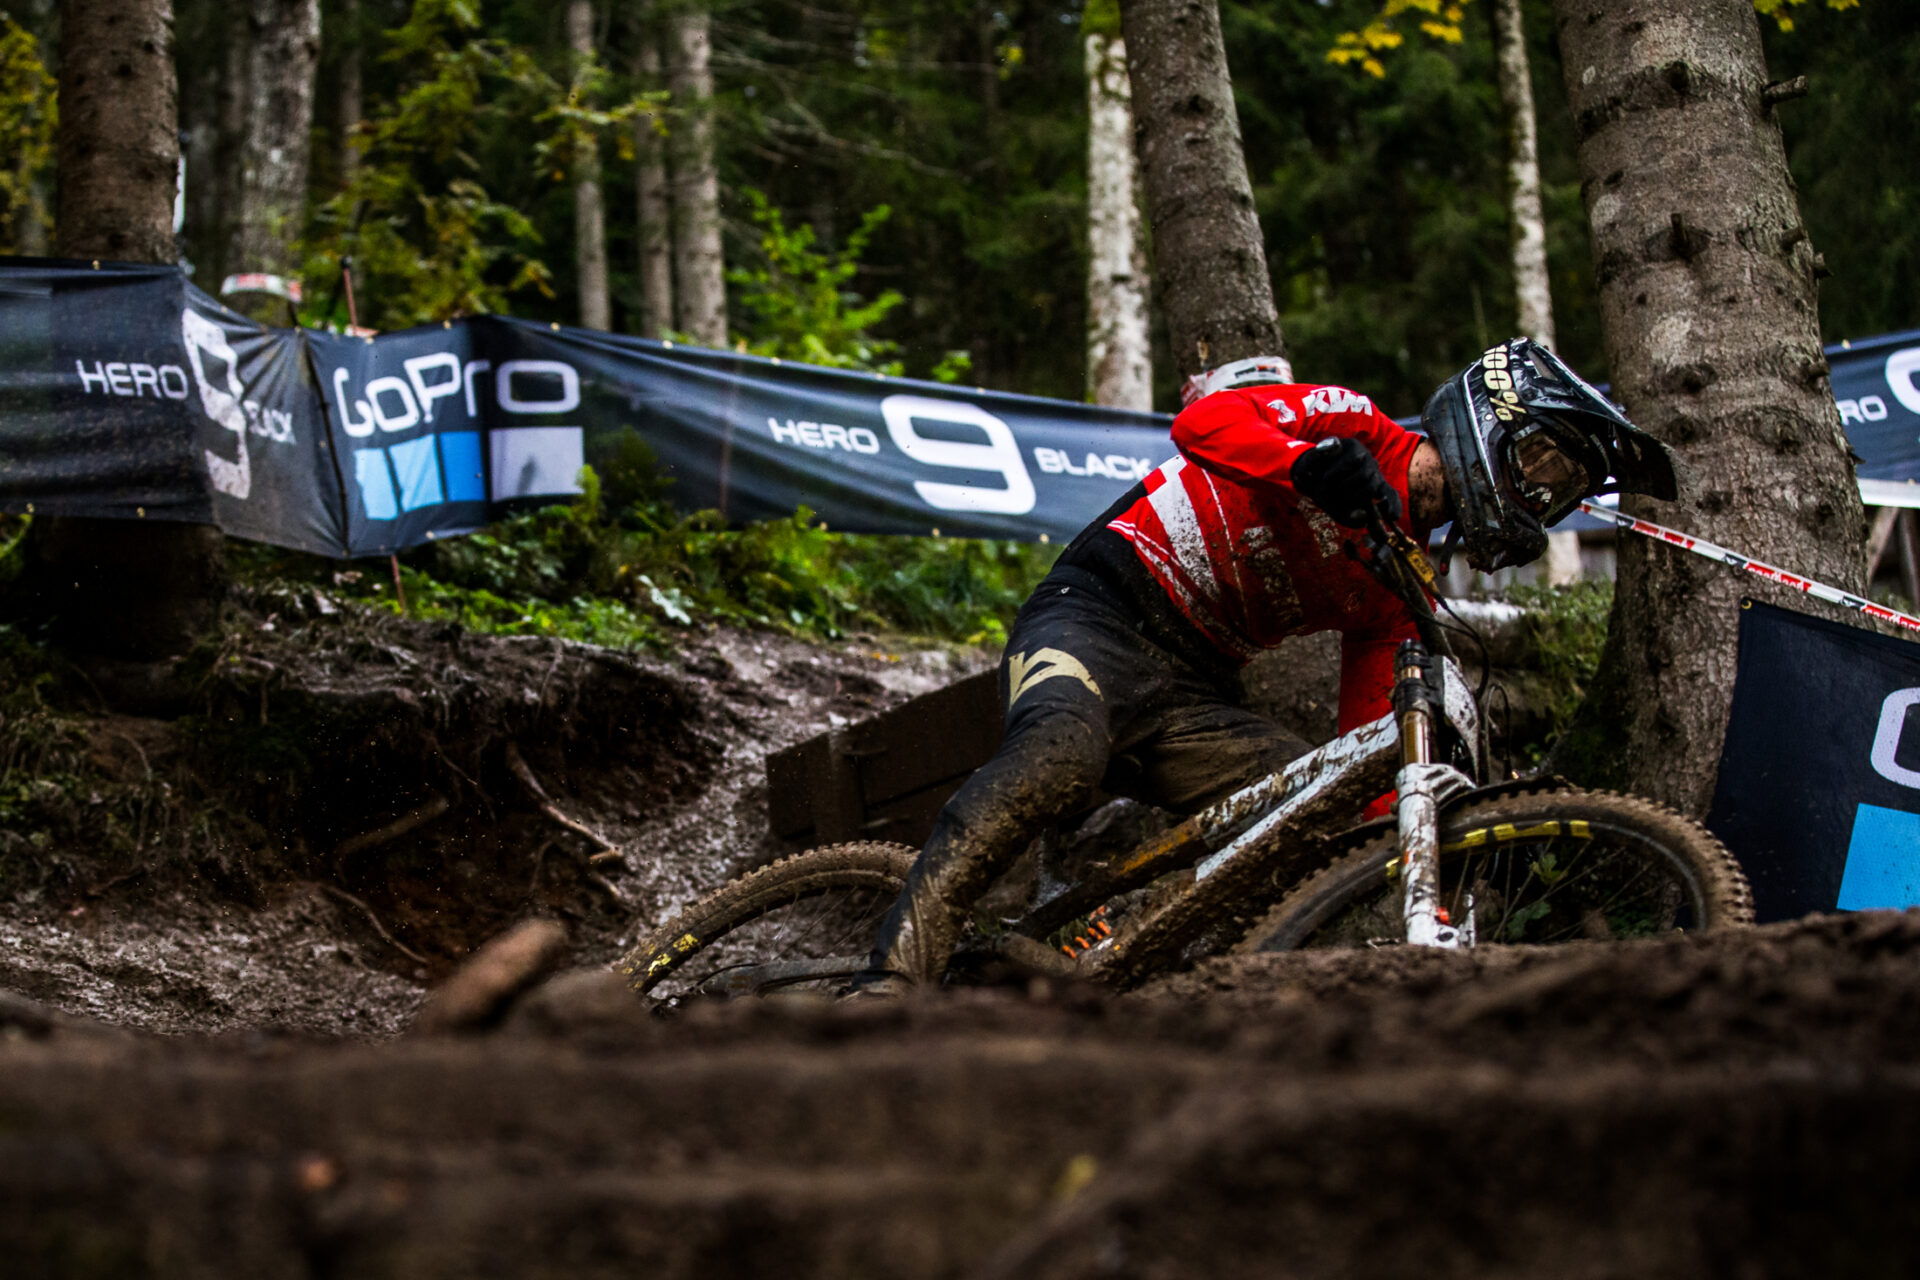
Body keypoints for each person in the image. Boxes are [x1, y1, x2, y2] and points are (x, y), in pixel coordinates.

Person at [865, 338, 1679, 987]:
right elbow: (1204, 424)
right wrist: (1302, 465)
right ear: (1489, 424)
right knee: (1058, 757)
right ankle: (891, 977)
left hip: (1193, 689)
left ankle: (1135, 962)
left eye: (1557, 491)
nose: (1539, 496)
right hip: (1095, 616)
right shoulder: (1354, 425)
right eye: (1539, 466)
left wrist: (1430, 840)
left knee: (1305, 812)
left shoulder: (1401, 583)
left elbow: (1367, 757)